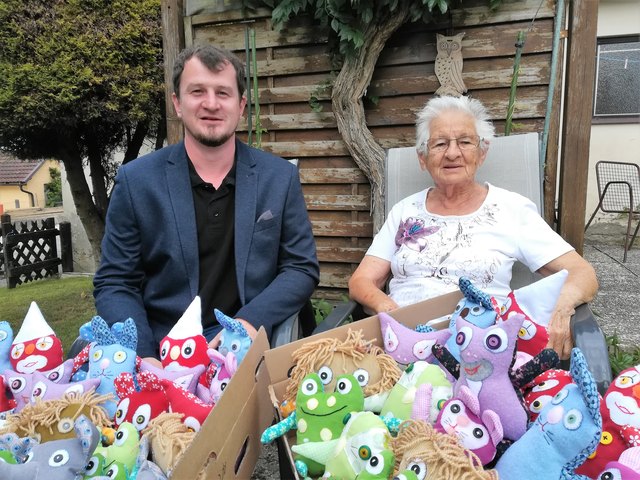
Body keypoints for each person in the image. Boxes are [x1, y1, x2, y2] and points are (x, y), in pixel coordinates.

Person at [93, 44, 319, 359]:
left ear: (241, 105)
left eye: (222, 93)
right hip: (163, 348)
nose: (210, 104)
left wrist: (248, 323)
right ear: (177, 103)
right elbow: (116, 282)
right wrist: (143, 356)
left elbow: (300, 267)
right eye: (197, 91)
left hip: (245, 347)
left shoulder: (279, 178)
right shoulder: (137, 182)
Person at [348, 95, 598, 360]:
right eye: (440, 143)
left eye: (465, 142)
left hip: (479, 354)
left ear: (482, 152)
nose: (452, 153)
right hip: (402, 344)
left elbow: (583, 273)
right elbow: (361, 280)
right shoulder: (404, 211)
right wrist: (390, 310)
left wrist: (562, 309)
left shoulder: (510, 209)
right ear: (423, 158)